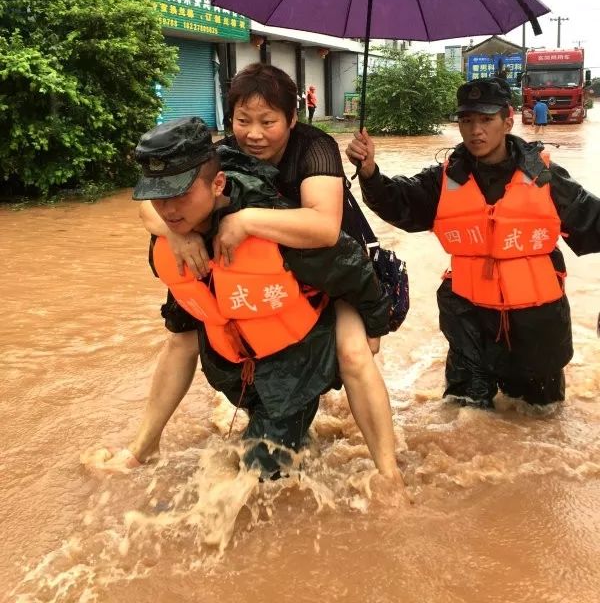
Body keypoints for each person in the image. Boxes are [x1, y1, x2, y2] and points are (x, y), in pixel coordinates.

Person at [104, 65, 401, 480]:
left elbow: (324, 228)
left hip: (330, 259)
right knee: (180, 338)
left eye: (268, 121)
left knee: (354, 354)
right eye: (243, 121)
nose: (254, 133)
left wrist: (244, 222)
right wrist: (176, 235)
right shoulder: (221, 157)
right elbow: (148, 206)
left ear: (292, 119)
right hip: (247, 260)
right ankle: (143, 447)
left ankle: (389, 475)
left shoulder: (314, 148)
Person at [346, 77, 600, 409]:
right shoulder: (445, 178)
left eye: (486, 119)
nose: (475, 130)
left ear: (508, 120)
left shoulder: (545, 176)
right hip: (468, 321)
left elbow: (593, 223)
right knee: (464, 418)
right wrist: (369, 172)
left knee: (541, 419)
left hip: (537, 324)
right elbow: (401, 202)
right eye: (467, 120)